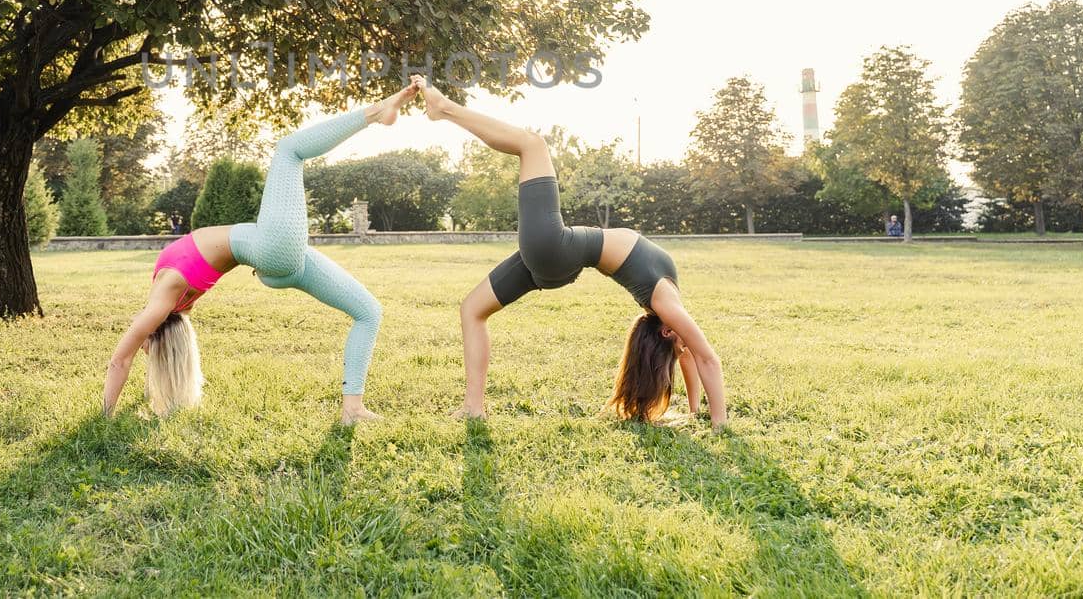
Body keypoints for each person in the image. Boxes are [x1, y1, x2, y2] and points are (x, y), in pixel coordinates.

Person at [414, 76, 728, 430]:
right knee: (471, 310)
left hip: (557, 248)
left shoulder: (666, 307)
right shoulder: (669, 313)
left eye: (679, 343)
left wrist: (718, 422)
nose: (686, 346)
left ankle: (445, 109)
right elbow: (690, 357)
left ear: (669, 332)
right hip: (556, 262)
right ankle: (473, 406)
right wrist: (693, 410)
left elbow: (706, 358)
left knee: (532, 145)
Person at [103, 82, 419, 425]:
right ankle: (376, 113)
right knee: (289, 150)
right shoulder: (167, 293)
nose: (138, 330)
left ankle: (353, 410)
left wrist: (152, 355)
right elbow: (120, 360)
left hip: (275, 264)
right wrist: (105, 416)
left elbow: (153, 341)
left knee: (368, 311)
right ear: (153, 328)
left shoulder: (175, 307)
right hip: (271, 247)